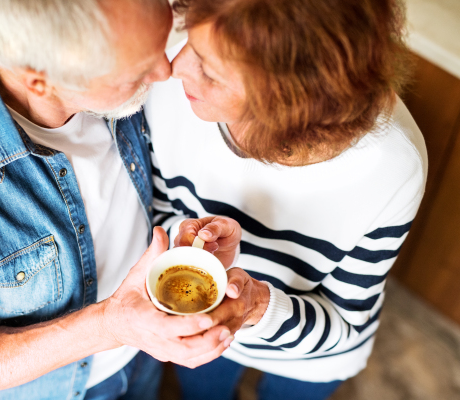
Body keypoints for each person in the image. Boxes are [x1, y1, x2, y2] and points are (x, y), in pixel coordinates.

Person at [0, 1, 236, 399]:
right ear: (40, 80)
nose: (167, 70)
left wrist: (181, 241)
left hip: (143, 357)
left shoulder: (105, 73)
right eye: (138, 64)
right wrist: (111, 325)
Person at [145, 0, 427, 399]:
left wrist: (258, 306)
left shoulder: (393, 165)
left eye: (210, 68)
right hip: (204, 333)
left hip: (312, 359)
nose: (174, 68)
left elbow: (345, 321)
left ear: (295, 96)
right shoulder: (172, 81)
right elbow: (153, 209)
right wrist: (184, 245)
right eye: (190, 39)